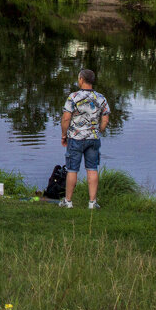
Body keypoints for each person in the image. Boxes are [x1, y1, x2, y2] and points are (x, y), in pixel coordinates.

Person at [60, 69, 110, 209]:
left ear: (81, 79)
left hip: (75, 138)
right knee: (92, 168)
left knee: (72, 169)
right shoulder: (101, 98)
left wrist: (64, 135)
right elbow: (105, 120)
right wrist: (98, 131)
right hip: (93, 138)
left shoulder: (73, 97)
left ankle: (68, 202)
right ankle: (92, 203)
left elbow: (66, 118)